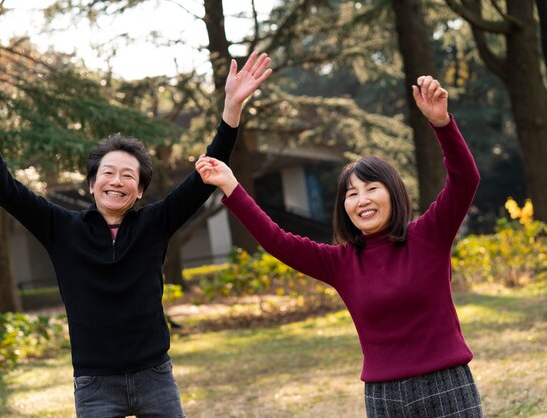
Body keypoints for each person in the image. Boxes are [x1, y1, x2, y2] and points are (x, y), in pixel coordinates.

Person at [0, 51, 272, 418]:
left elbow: (207, 174)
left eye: (128, 176)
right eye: (108, 173)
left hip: (155, 377)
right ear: (91, 184)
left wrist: (231, 107)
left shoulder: (156, 223)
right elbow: (2, 186)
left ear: (139, 191)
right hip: (95, 384)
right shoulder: (61, 229)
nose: (116, 181)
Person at [196, 76, 483, 417]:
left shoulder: (429, 235)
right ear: (344, 207)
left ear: (393, 193)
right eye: (351, 193)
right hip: (384, 396)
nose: (362, 199)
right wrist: (231, 186)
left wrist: (442, 124)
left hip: (447, 386)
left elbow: (466, 180)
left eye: (371, 188)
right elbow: (277, 240)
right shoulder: (340, 262)